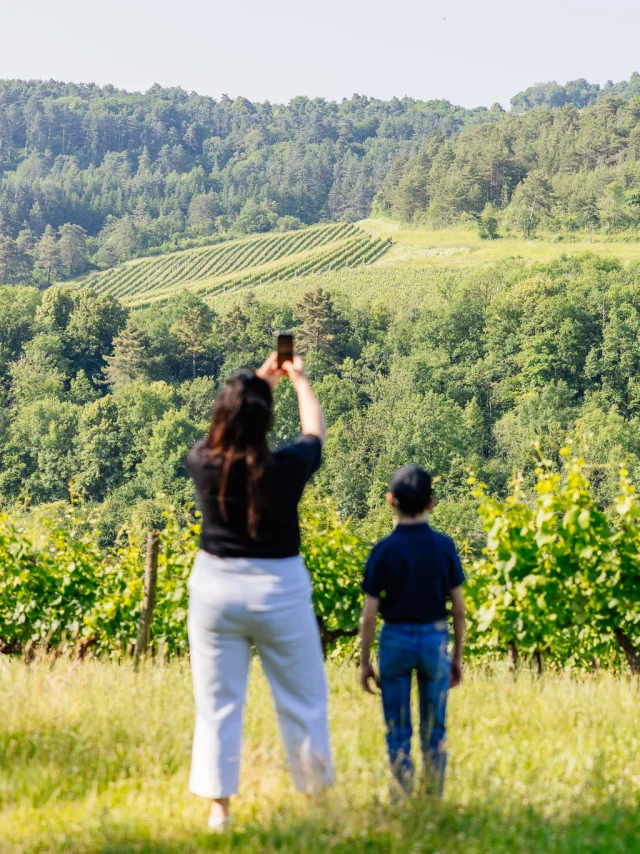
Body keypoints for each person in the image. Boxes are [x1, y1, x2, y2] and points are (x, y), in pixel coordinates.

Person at [186, 353, 333, 831]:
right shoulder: (286, 467)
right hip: (280, 589)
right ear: (266, 420)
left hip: (216, 589)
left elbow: (225, 432)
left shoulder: (203, 463)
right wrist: (298, 381)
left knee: (217, 703)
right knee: (303, 699)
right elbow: (314, 434)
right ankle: (314, 805)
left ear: (223, 415)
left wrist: (257, 382)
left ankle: (219, 811)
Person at [359, 465, 466, 797]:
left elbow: (369, 616)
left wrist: (364, 662)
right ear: (431, 503)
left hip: (394, 640)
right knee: (434, 728)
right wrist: (456, 657)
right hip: (434, 639)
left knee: (398, 727)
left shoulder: (383, 551)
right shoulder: (445, 547)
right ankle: (433, 797)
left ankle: (401, 796)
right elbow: (459, 610)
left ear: (390, 501)